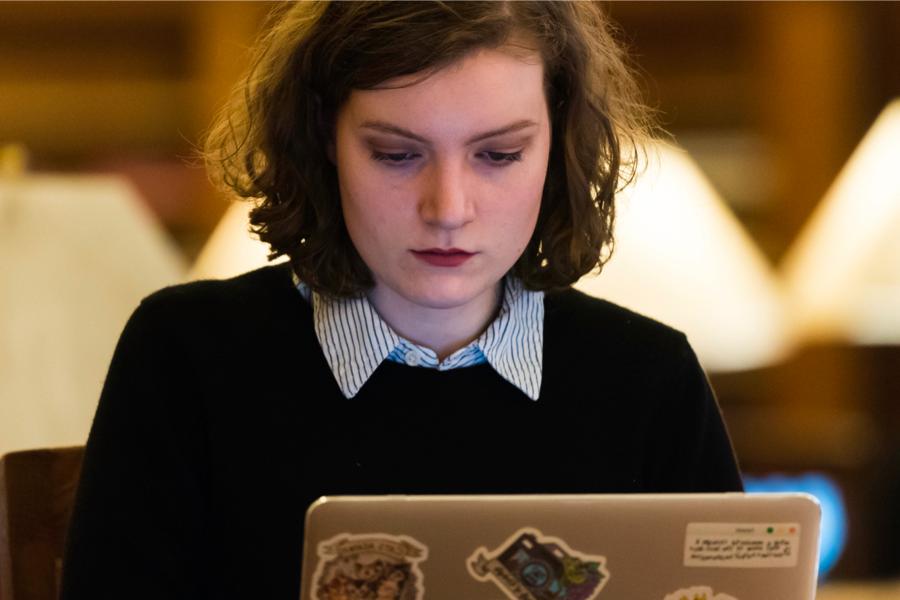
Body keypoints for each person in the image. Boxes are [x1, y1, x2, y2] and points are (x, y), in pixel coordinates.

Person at [60, 2, 742, 599]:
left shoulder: (649, 378)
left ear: (558, 145)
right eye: (395, 154)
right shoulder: (187, 355)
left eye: (499, 155)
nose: (448, 208)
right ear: (324, 139)